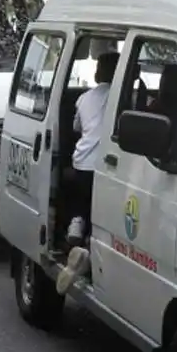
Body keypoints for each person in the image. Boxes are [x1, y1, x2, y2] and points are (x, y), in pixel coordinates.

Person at [66, 52, 120, 246]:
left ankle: (76, 225)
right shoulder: (120, 97)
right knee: (100, 206)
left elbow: (76, 128)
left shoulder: (83, 98)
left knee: (82, 199)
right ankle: (92, 238)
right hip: (106, 163)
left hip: (82, 160)